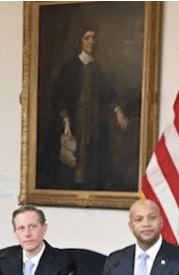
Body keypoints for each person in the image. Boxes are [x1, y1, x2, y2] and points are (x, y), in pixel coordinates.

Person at [50, 28, 130, 191]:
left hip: (95, 120)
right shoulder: (71, 67)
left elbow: (108, 92)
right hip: (76, 119)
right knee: (75, 153)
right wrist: (66, 121)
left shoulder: (98, 68)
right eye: (87, 38)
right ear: (79, 41)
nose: (91, 42)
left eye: (93, 38)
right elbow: (61, 96)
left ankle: (91, 185)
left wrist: (118, 111)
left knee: (94, 152)